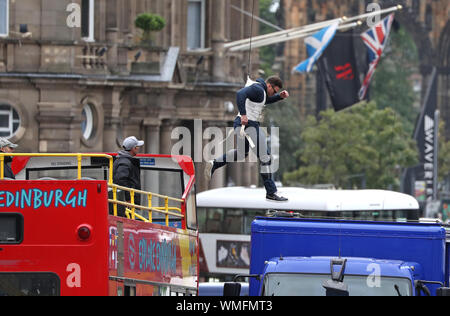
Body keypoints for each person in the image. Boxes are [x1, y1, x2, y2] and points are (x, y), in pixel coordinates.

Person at [205, 76, 289, 202]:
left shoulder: (262, 93)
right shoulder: (258, 89)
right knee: (265, 157)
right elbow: (240, 94)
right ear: (269, 86)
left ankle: (215, 163)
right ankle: (271, 192)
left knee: (240, 153)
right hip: (249, 125)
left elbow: (264, 101)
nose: (274, 93)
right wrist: (244, 114)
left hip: (242, 125)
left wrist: (279, 97)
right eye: (274, 91)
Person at [113, 136, 144, 215]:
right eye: (137, 147)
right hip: (126, 203)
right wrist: (128, 198)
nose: (139, 148)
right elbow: (120, 180)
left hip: (126, 202)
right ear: (133, 148)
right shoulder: (125, 162)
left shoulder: (124, 160)